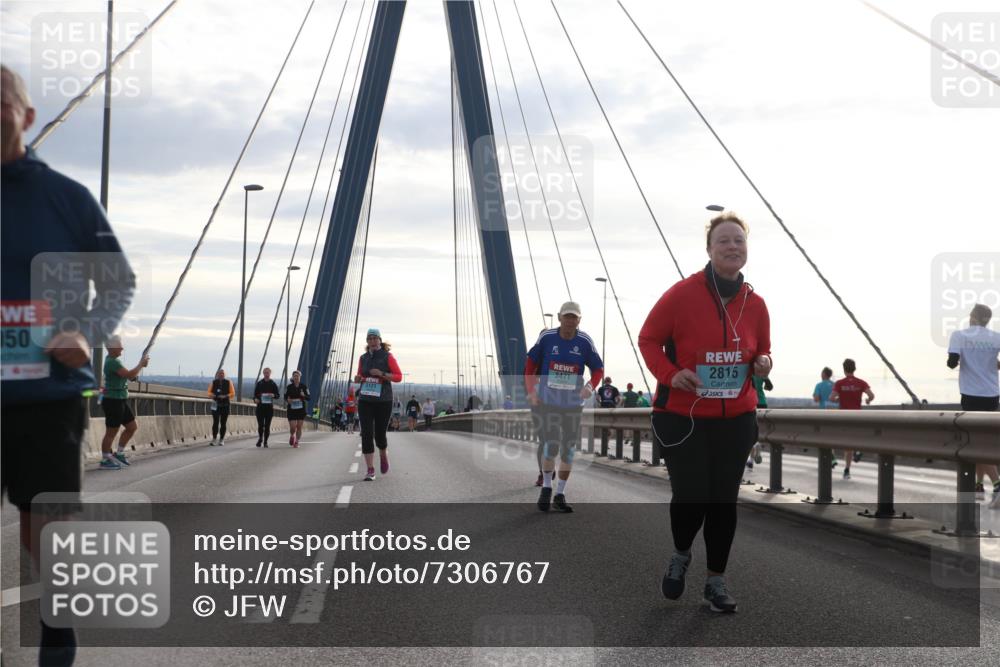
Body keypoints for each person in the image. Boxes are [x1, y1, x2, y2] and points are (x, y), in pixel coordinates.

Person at [2, 63, 135, 665]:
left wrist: (85, 329)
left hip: (48, 398)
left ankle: (58, 644)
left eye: (2, 100)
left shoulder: (67, 198)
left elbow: (117, 283)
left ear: (27, 117)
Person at [638, 211, 772, 614]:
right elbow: (648, 340)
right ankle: (681, 554)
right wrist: (671, 372)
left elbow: (762, 350)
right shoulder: (682, 294)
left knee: (723, 502)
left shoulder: (756, 303)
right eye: (724, 241)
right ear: (710, 250)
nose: (733, 247)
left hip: (736, 419)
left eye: (739, 241)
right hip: (684, 417)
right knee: (691, 496)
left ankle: (715, 581)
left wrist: (764, 363)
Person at [525, 301, 604, 512]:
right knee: (551, 445)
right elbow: (530, 366)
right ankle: (547, 488)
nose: (570, 321)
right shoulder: (547, 337)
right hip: (548, 402)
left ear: (579, 320)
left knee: (568, 450)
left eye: (574, 317)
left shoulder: (585, 341)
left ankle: (560, 493)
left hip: (572, 404)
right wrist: (532, 393)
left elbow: (598, 370)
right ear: (560, 317)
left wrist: (590, 386)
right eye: (567, 316)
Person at [947, 303, 1000, 497]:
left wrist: (965, 359)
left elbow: (951, 363)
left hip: (971, 394)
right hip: (992, 395)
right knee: (982, 439)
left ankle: (997, 482)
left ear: (973, 317)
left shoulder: (960, 335)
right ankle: (978, 483)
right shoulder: (996, 337)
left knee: (974, 441)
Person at [354, 328, 402, 480]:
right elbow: (360, 375)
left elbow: (398, 377)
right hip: (365, 400)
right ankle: (370, 469)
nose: (373, 341)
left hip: (383, 401)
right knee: (367, 433)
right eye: (370, 339)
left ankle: (383, 454)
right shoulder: (363, 358)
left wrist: (381, 374)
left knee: (380, 435)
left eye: (375, 338)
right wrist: (358, 378)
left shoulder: (388, 357)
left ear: (380, 341)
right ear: (367, 341)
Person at [99, 336, 149, 468]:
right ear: (111, 348)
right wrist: (140, 364)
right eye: (119, 346)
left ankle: (119, 453)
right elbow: (129, 375)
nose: (122, 348)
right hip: (113, 400)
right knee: (111, 432)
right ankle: (105, 460)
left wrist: (139, 367)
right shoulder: (112, 362)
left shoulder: (115, 361)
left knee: (132, 427)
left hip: (120, 399)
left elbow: (128, 375)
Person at [830, 358, 874, 479]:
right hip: (857, 417)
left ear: (844, 369)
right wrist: (868, 400)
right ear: (854, 369)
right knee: (851, 443)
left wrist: (840, 398)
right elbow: (871, 395)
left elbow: (832, 398)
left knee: (841, 441)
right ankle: (848, 468)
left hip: (844, 417)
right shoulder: (861, 383)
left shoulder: (839, 383)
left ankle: (846, 462)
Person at [745, 375, 772, 471]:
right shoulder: (762, 373)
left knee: (751, 432)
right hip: (762, 403)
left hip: (751, 402)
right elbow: (770, 387)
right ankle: (757, 445)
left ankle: (751, 460)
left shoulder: (748, 373)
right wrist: (763, 386)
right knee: (758, 430)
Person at [207, 369, 234, 445]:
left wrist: (225, 396)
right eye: (219, 373)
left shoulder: (229, 382)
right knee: (215, 422)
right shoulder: (213, 382)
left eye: (222, 373)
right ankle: (214, 439)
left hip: (225, 405)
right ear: (217, 374)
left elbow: (232, 393)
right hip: (215, 404)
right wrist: (212, 395)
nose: (221, 374)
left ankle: (221, 439)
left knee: (223, 423)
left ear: (225, 374)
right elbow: (208, 392)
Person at [253, 367, 280, 447]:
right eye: (265, 372)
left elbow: (278, 395)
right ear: (263, 373)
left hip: (269, 408)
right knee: (260, 425)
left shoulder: (273, 383)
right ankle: (260, 438)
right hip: (260, 407)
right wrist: (255, 400)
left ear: (270, 373)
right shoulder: (259, 383)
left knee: (267, 426)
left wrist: (273, 395)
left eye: (268, 372)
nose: (266, 374)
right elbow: (254, 395)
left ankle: (265, 442)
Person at [284, 370, 310, 447]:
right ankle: (292, 435)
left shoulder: (304, 387)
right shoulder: (289, 387)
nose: (296, 377)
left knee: (299, 427)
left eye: (297, 376)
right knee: (293, 427)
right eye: (294, 376)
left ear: (300, 377)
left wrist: (304, 395)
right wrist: (287, 400)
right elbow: (285, 397)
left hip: (301, 410)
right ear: (293, 377)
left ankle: (297, 442)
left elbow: (309, 398)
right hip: (291, 409)